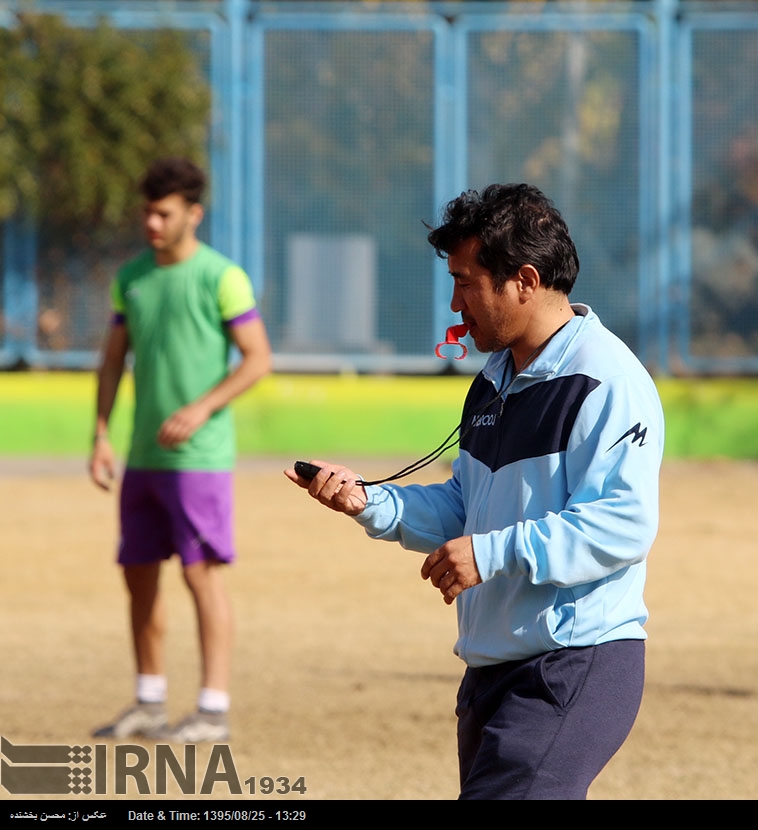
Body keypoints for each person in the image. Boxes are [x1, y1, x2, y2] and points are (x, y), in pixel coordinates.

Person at [286, 183, 664, 800]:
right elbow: (466, 507)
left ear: (524, 279)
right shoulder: (493, 380)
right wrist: (369, 502)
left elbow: (622, 524)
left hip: (570, 663)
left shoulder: (605, 380)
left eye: (466, 281)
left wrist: (490, 554)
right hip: (492, 669)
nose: (456, 301)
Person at [89, 157, 273, 743]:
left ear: (192, 214)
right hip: (142, 457)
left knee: (201, 578)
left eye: (163, 212)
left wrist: (201, 408)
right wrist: (99, 433)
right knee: (137, 575)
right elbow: (114, 358)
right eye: (146, 211)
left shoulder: (222, 277)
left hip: (199, 461)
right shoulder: (132, 277)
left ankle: (212, 710)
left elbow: (258, 359)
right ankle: (148, 700)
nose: (151, 222)